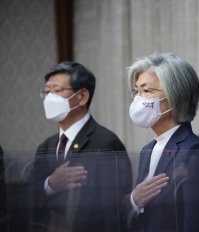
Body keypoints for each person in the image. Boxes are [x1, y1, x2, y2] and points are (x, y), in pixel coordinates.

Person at [21, 62, 132, 232]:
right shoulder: (47, 146)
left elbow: (112, 213)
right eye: (47, 92)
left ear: (82, 97)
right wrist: (50, 184)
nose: (50, 98)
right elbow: (25, 200)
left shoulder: (105, 143)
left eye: (57, 91)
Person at [122, 53, 199, 232]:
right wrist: (133, 201)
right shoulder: (148, 149)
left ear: (175, 96)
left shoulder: (195, 152)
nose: (138, 99)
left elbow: (197, 223)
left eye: (147, 91)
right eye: (136, 91)